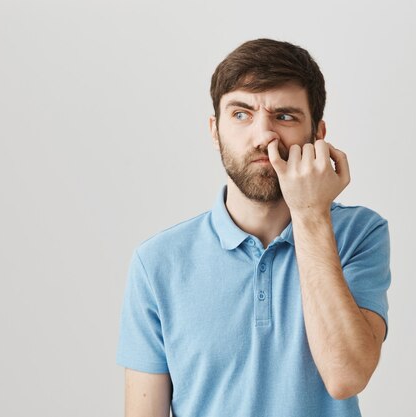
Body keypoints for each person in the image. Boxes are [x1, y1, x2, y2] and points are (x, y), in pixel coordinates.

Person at [116, 38, 391, 417]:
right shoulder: (157, 263)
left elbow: (346, 376)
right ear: (215, 131)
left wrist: (311, 214)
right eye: (241, 114)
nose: (264, 136)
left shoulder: (360, 234)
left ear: (318, 135)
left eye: (285, 116)